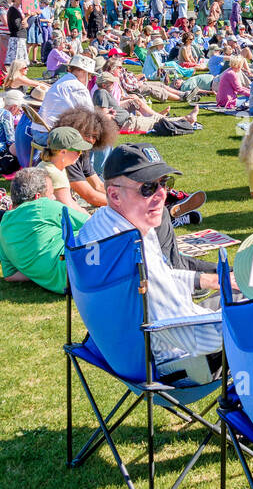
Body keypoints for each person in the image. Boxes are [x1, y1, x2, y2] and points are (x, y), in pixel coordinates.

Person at [73, 145, 238, 379]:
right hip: (176, 366)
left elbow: (157, 279)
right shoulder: (133, 251)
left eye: (164, 183)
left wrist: (205, 279)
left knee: (238, 292)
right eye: (148, 187)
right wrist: (251, 318)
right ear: (114, 194)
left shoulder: (102, 227)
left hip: (120, 351)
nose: (162, 194)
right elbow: (195, 339)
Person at [0, 167, 89, 290]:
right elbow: (92, 223)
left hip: (70, 282)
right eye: (51, 193)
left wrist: (41, 272)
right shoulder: (42, 206)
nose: (54, 198)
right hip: (83, 269)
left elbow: (10, 275)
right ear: (37, 196)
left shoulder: (5, 223)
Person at [40, 126, 93, 209]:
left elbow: (69, 201)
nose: (81, 154)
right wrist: (90, 220)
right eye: (78, 151)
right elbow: (69, 209)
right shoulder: (55, 174)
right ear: (63, 151)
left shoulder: (48, 165)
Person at [38, 53, 95, 128]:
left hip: (42, 128)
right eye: (90, 75)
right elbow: (90, 114)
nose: (90, 79)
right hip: (51, 132)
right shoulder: (78, 87)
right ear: (83, 72)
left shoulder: (63, 80)